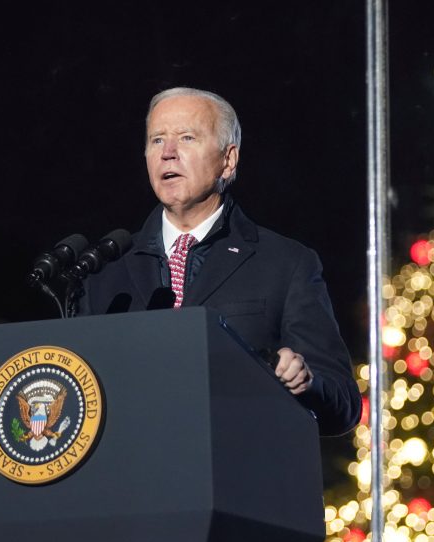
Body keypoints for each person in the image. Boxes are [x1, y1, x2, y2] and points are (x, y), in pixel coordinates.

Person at [79, 87, 360, 436]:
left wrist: (307, 383)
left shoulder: (286, 263)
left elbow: (345, 404)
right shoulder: (105, 270)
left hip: (237, 474)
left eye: (186, 138)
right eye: (156, 140)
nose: (168, 153)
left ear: (228, 160)